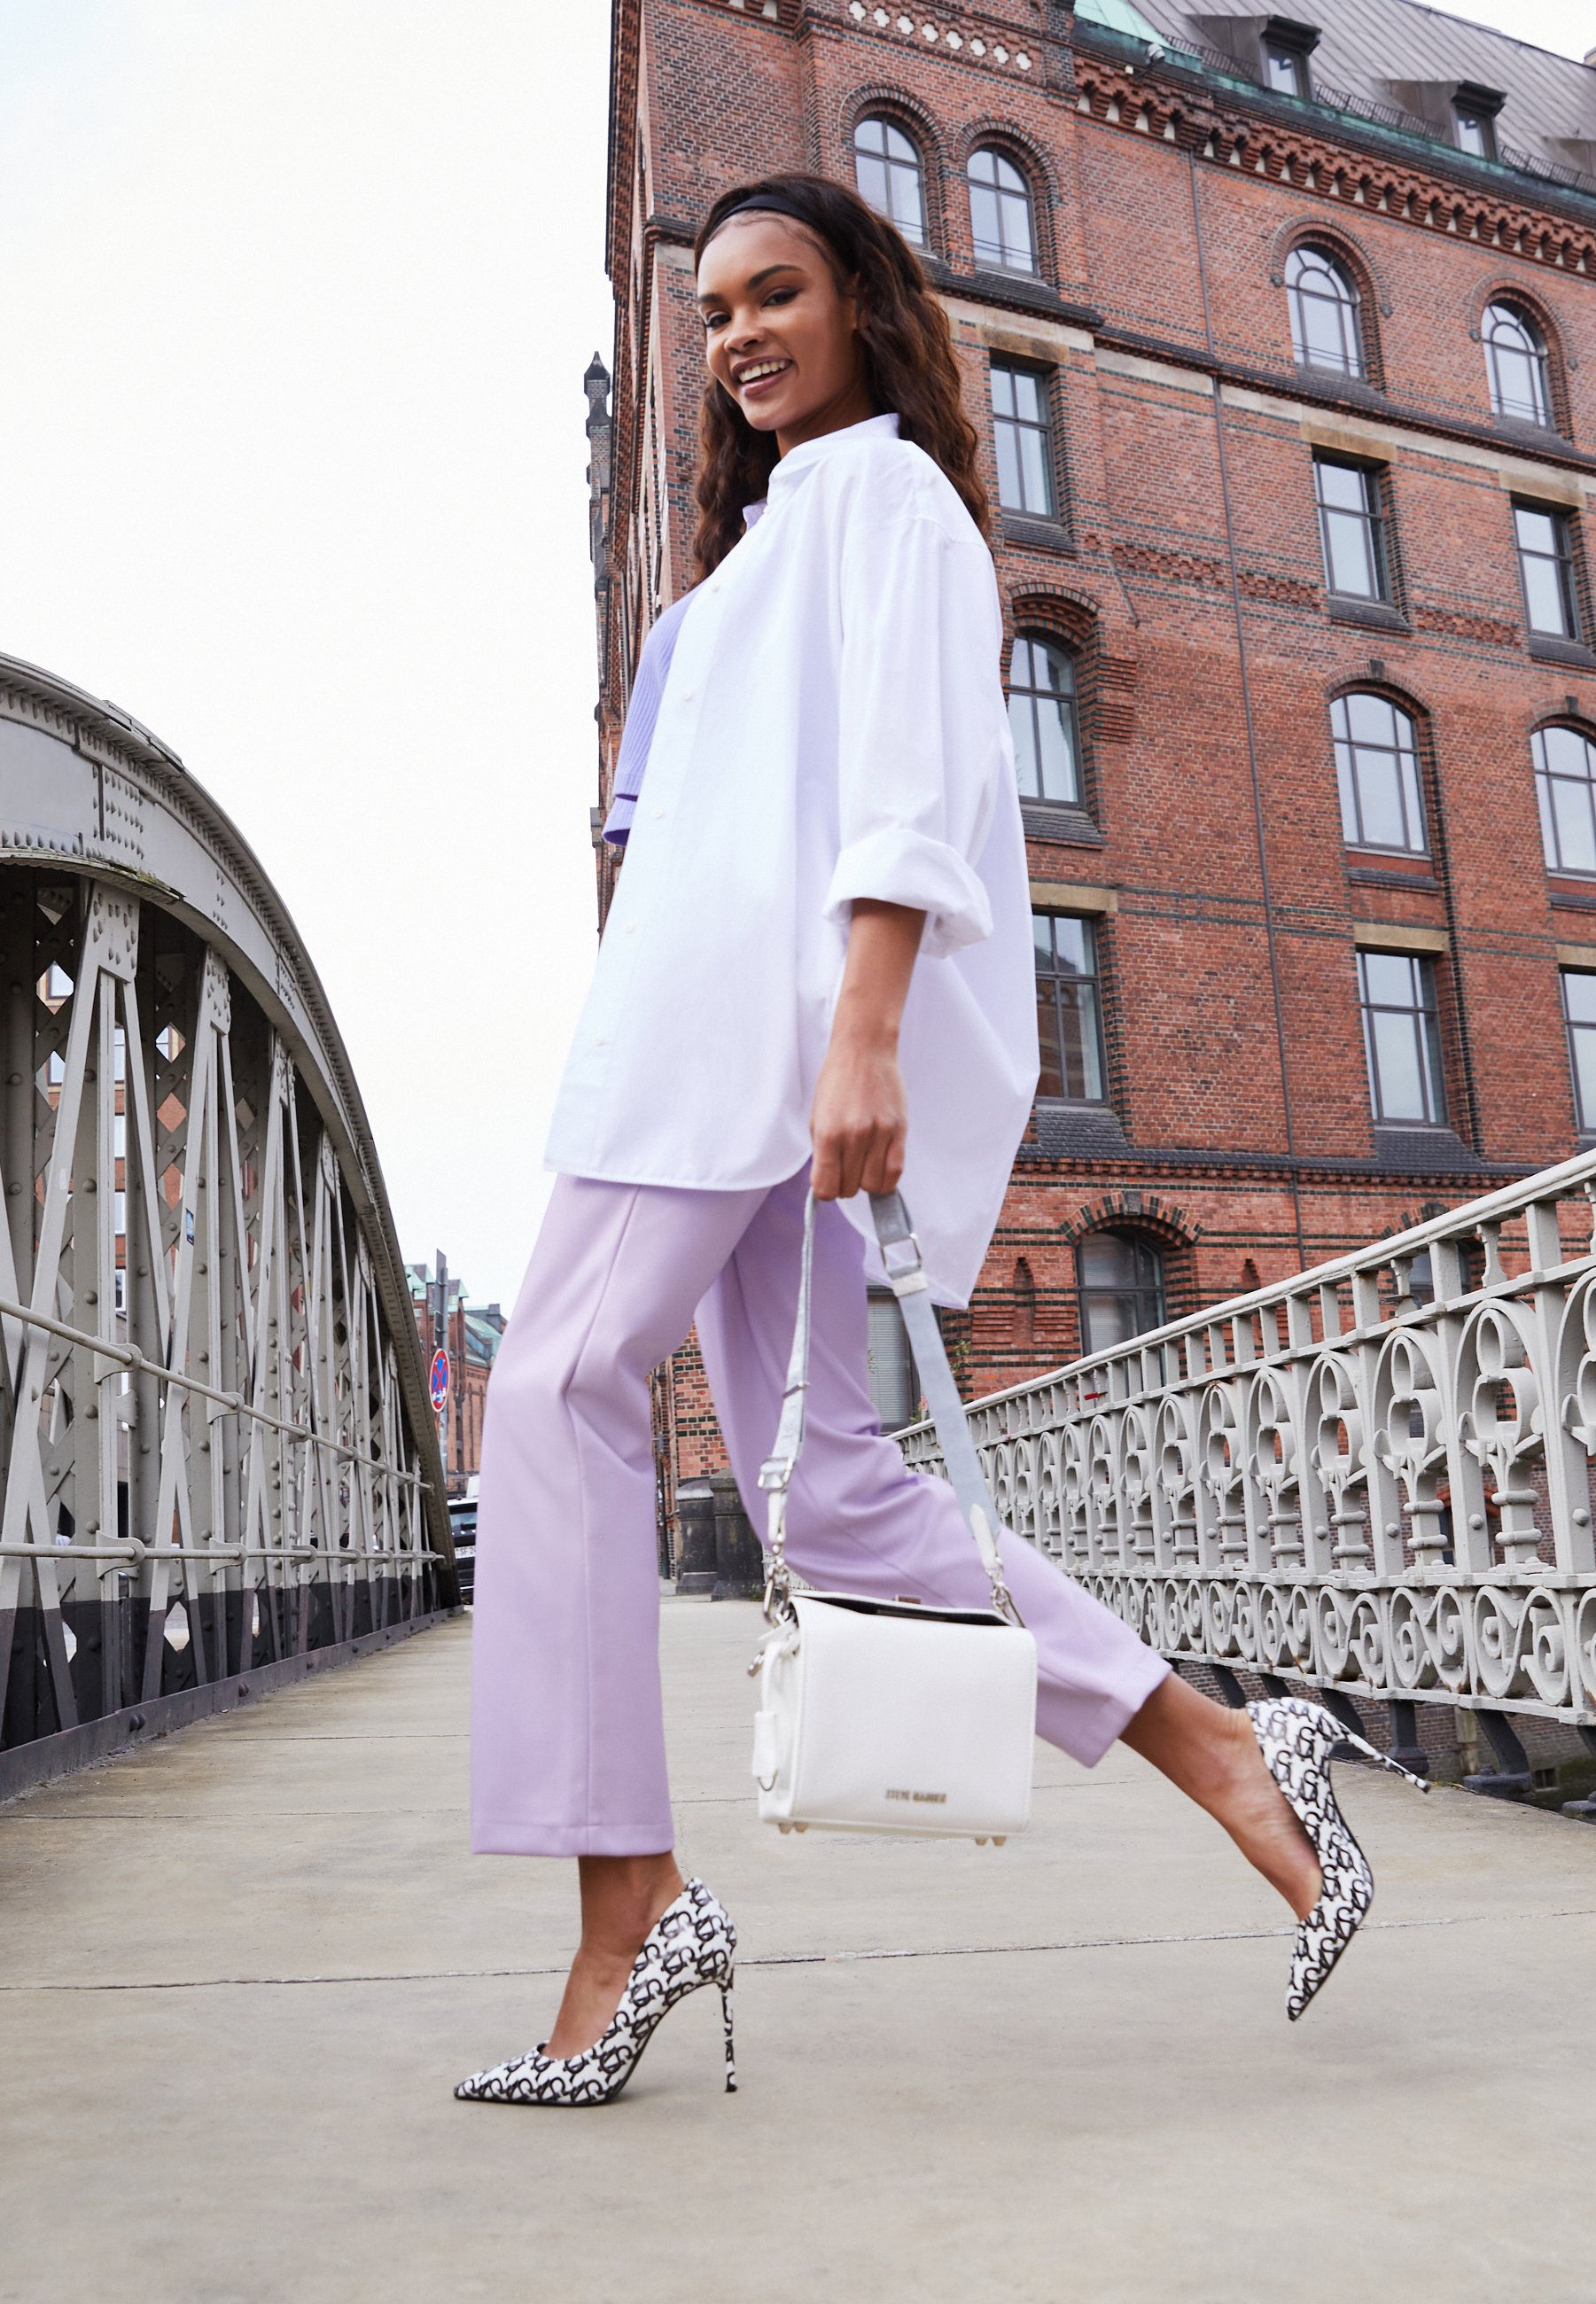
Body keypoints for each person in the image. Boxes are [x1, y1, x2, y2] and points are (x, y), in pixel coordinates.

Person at [455, 174, 1424, 2111]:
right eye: (714, 309)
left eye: (777, 293)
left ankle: (628, 1910)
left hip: (750, 1048)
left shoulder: (889, 499)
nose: (738, 334)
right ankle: (1231, 1753)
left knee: (549, 1393)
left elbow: (913, 772)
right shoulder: (742, 573)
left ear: (863, 303)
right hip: (720, 1045)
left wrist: (867, 1033)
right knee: (830, 1495)